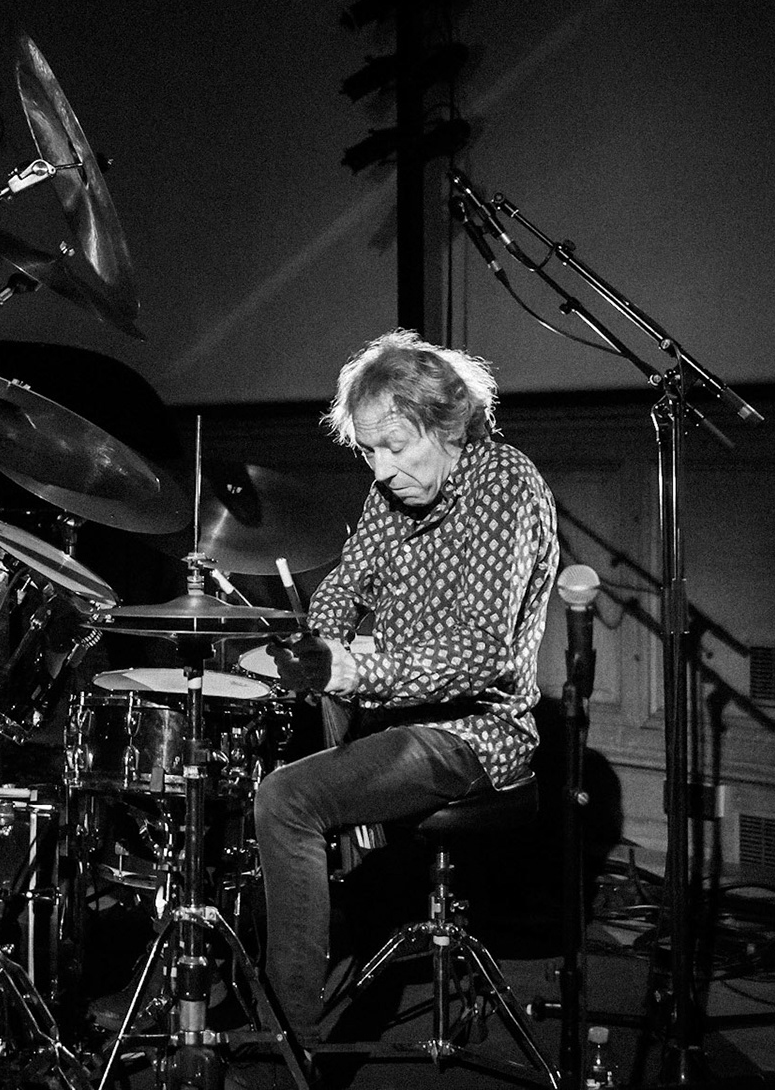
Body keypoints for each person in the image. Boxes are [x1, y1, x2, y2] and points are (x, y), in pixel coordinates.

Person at [253, 330, 558, 1043]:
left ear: (447, 426)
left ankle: (286, 1040)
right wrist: (316, 644)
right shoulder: (390, 494)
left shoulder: (504, 484)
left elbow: (481, 654)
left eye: (395, 446)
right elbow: (343, 587)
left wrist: (357, 670)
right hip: (399, 715)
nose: (382, 469)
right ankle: (346, 897)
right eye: (368, 451)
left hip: (473, 732)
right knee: (285, 742)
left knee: (285, 800)